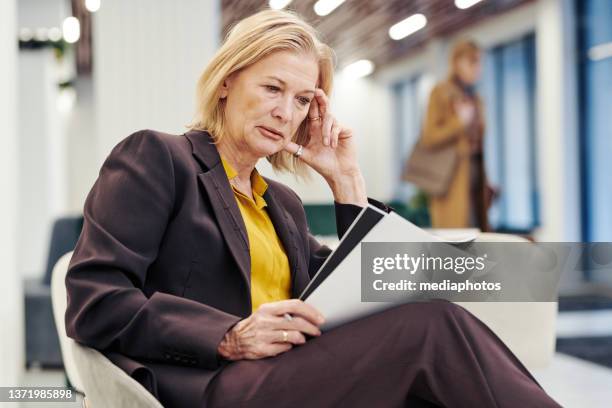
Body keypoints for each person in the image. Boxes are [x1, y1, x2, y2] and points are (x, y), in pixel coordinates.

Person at [65, 9, 559, 408]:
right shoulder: (159, 158)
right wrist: (228, 336)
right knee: (431, 327)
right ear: (226, 84)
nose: (286, 112)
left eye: (303, 100)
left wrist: (346, 181)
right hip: (212, 383)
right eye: (272, 89)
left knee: (430, 367)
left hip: (289, 377)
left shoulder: (281, 204)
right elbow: (95, 300)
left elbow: (367, 292)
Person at [421, 39, 496, 231]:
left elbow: (477, 143)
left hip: (475, 180)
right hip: (451, 182)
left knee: (478, 241)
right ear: (456, 63)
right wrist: (458, 123)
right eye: (472, 62)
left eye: (479, 62)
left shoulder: (475, 97)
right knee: (455, 244)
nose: (477, 68)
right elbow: (429, 137)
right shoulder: (441, 92)